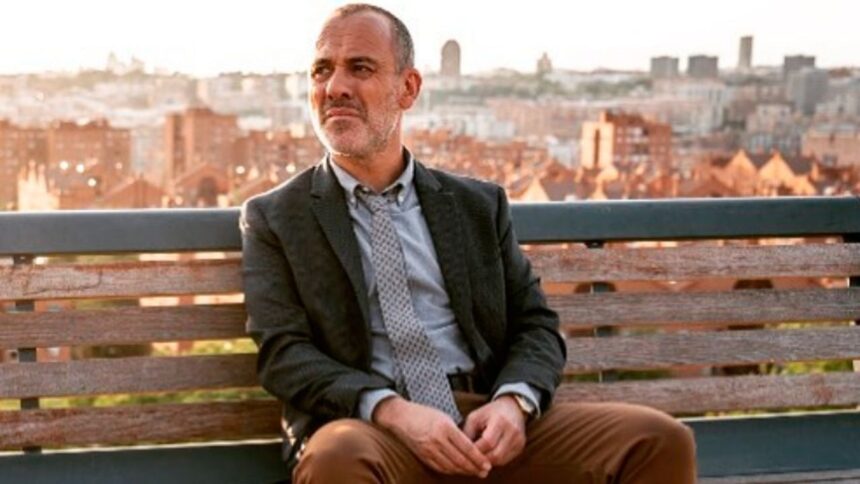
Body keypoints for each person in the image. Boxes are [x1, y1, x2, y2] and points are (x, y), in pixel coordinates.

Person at [240, 3, 696, 483]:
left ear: (408, 88)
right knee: (338, 457)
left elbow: (535, 325)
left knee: (659, 440)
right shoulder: (277, 217)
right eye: (321, 71)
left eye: (361, 68)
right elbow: (284, 354)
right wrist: (392, 410)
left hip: (485, 420)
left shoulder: (475, 205)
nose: (335, 87)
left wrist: (514, 403)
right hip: (373, 428)